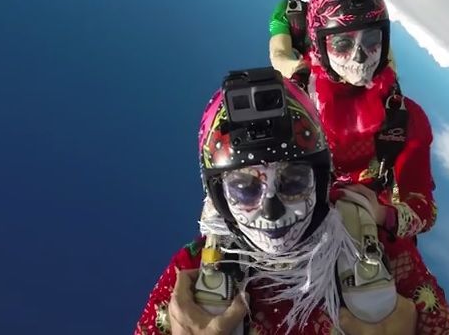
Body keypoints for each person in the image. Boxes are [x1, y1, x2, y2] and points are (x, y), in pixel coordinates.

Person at [135, 68, 420, 335]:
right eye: (244, 188)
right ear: (219, 197)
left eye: (294, 181)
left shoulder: (376, 248)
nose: (271, 211)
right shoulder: (191, 272)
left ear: (321, 182)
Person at [306, 0, 449, 333]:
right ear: (320, 43)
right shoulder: (296, 106)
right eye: (343, 43)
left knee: (431, 316)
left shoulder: (404, 119)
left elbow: (423, 208)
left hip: (380, 239)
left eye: (371, 39)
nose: (360, 55)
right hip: (301, 226)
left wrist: (384, 215)